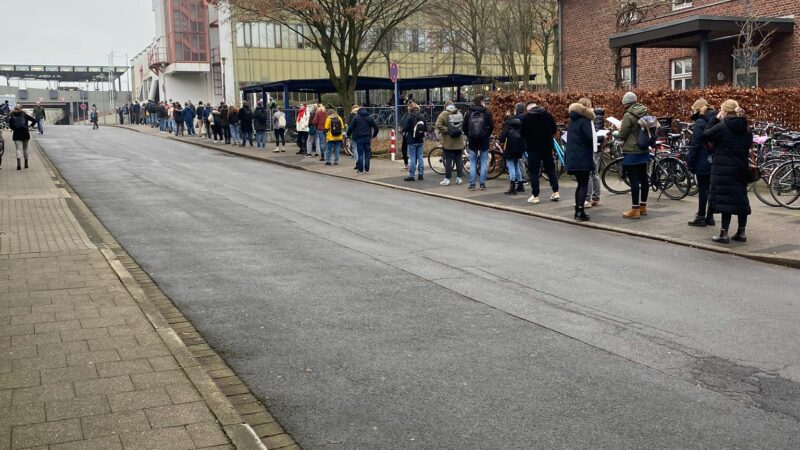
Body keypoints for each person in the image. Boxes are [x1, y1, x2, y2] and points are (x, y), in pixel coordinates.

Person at [701, 99, 752, 244]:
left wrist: (716, 119)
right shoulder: (746, 128)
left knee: (725, 202)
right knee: (741, 199)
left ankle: (724, 234)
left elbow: (705, 135)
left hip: (723, 169)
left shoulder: (723, 127)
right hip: (740, 168)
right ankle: (741, 232)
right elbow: (748, 145)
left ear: (725, 111)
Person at [617, 92, 650, 219]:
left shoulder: (628, 115)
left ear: (626, 103)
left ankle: (634, 210)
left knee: (634, 181)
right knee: (644, 178)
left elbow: (623, 133)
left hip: (631, 151)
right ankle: (643, 207)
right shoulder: (645, 111)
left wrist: (618, 132)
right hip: (644, 148)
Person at [521, 102, 560, 203]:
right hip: (547, 147)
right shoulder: (547, 115)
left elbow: (522, 133)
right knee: (550, 169)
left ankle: (535, 195)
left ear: (528, 109)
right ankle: (556, 191)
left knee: (533, 172)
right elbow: (554, 130)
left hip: (533, 149)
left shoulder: (526, 118)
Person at [687, 98, 717, 227]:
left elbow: (695, 145)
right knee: (712, 190)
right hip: (715, 159)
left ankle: (700, 216)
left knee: (703, 189)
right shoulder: (716, 120)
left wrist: (690, 162)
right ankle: (710, 217)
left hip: (702, 160)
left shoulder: (700, 123)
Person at [565, 98, 596, 221]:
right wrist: (598, 139)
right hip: (583, 156)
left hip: (573, 156)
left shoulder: (572, 120)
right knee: (583, 184)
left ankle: (578, 210)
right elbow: (589, 138)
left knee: (579, 184)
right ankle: (580, 211)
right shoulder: (585, 121)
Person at [461, 95, 494, 191]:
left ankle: (472, 184)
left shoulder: (469, 113)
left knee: (472, 162)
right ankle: (482, 184)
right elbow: (491, 126)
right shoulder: (487, 112)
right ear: (482, 102)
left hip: (472, 141)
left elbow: (464, 127)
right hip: (484, 141)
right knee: (484, 161)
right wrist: (487, 135)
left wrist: (469, 135)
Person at [435, 102, 464, 186]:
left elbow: (438, 125)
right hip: (459, 142)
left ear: (445, 106)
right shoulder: (459, 113)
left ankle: (447, 179)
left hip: (448, 143)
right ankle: (459, 178)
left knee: (448, 161)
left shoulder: (444, 114)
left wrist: (448, 130)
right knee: (459, 160)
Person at [498, 111, 526, 196]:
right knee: (516, 166)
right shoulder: (520, 124)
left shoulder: (507, 126)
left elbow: (501, 139)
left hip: (509, 149)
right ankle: (520, 185)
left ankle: (512, 187)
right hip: (518, 149)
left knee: (511, 168)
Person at [347, 106, 379, 174]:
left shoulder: (356, 117)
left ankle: (361, 170)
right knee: (367, 154)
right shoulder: (370, 118)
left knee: (360, 154)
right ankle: (367, 170)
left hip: (359, 138)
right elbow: (376, 128)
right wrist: (374, 135)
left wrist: (348, 135)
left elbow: (350, 127)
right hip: (367, 138)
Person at [586, 105, 605, 207]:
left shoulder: (589, 119)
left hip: (591, 149)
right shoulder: (596, 118)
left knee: (589, 174)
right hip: (597, 148)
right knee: (595, 173)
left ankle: (587, 199)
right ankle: (596, 198)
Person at [7, 106, 36, 170]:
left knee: (18, 149)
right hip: (25, 133)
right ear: (21, 109)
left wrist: (14, 129)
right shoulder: (24, 115)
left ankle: (19, 164)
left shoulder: (12, 116)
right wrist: (30, 126)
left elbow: (10, 125)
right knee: (25, 149)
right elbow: (34, 120)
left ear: (14, 109)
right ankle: (26, 164)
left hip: (17, 134)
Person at [403, 103, 426, 181]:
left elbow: (405, 128)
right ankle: (420, 174)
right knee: (420, 157)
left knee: (412, 157)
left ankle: (411, 175)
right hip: (420, 140)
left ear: (410, 109)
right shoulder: (422, 116)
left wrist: (402, 131)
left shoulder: (410, 116)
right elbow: (425, 127)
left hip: (412, 140)